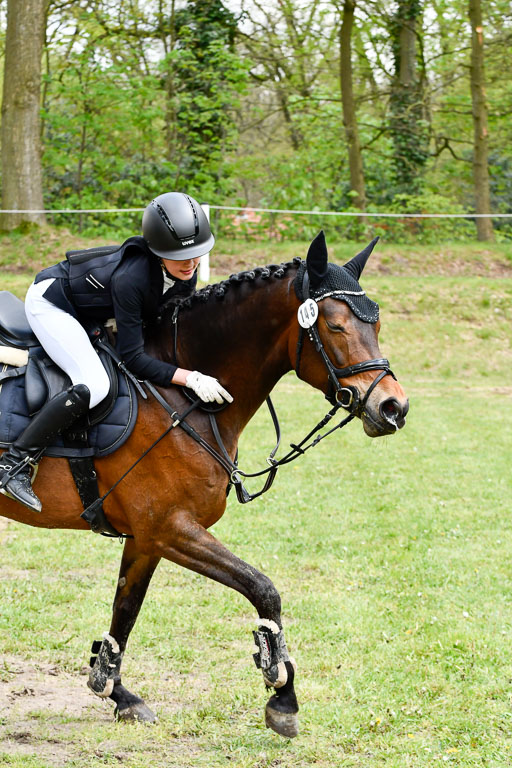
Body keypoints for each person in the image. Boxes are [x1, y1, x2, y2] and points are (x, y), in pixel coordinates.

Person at [0, 192, 232, 514]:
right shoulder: (131, 279)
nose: (191, 263)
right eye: (180, 255)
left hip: (93, 310)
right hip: (52, 305)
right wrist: (189, 378)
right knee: (96, 384)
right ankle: (14, 464)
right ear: (156, 251)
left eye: (196, 253)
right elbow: (133, 357)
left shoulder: (183, 277)